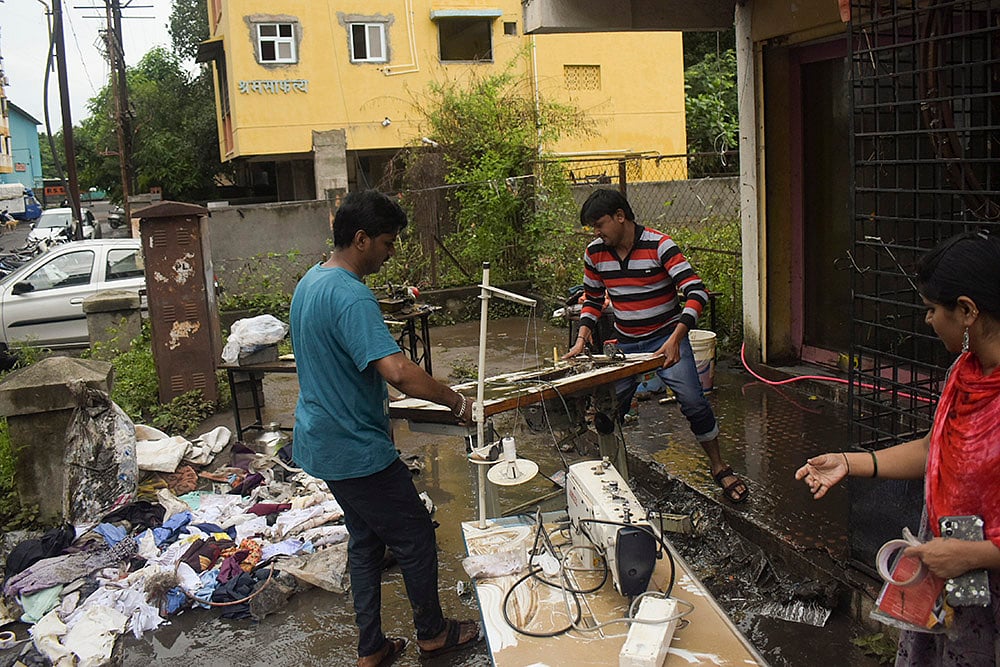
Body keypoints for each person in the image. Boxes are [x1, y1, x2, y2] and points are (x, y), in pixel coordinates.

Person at [290, 190, 481, 667]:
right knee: (415, 536)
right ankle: (433, 634)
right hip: (355, 448)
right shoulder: (351, 294)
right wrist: (457, 401)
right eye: (388, 242)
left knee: (366, 540)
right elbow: (397, 369)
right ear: (361, 239)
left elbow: (339, 361)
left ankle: (371, 647)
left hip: (320, 440)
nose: (391, 251)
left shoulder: (311, 281)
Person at [795, 231, 1000, 665]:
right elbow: (935, 450)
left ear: (966, 311)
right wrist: (848, 463)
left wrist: (975, 554)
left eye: (931, 310)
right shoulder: (963, 373)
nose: (927, 321)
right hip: (950, 586)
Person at [563, 188, 748, 503]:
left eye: (600, 224)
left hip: (667, 338)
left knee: (694, 402)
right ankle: (611, 475)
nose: (596, 232)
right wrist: (581, 340)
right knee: (608, 410)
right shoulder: (595, 253)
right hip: (625, 345)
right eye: (593, 227)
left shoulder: (661, 245)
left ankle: (719, 467)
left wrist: (676, 339)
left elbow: (697, 292)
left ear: (621, 216)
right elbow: (592, 301)